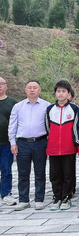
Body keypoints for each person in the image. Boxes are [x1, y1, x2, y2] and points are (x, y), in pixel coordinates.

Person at [9, 80, 50, 211]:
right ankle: (23, 199)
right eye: (29, 88)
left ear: (39, 90)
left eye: (35, 88)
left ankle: (39, 199)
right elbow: (12, 125)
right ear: (25, 90)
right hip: (22, 143)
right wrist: (12, 142)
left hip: (40, 142)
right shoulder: (18, 106)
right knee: (23, 173)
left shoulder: (46, 106)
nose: (32, 90)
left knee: (40, 172)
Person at [46, 80, 78, 211]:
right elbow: (47, 128)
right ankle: (57, 196)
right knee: (55, 174)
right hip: (53, 147)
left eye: (63, 91)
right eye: (58, 91)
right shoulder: (49, 109)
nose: (60, 94)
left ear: (68, 93)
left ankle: (66, 197)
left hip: (68, 147)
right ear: (55, 93)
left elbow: (76, 128)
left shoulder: (74, 109)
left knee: (68, 173)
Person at [0, 77, 17, 206]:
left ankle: (6, 193)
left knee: (6, 169)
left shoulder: (13, 103)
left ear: (6, 86)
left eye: (1, 84)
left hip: (6, 143)